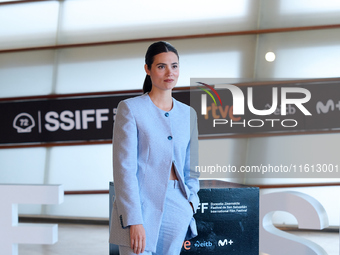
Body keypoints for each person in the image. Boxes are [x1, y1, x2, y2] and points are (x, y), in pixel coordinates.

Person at [109, 41, 200, 255]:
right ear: (147, 69)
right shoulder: (130, 108)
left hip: (178, 204)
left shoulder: (189, 114)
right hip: (141, 206)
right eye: (161, 66)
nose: (170, 72)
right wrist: (134, 220)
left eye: (174, 66)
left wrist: (190, 204)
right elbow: (124, 169)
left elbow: (191, 166)